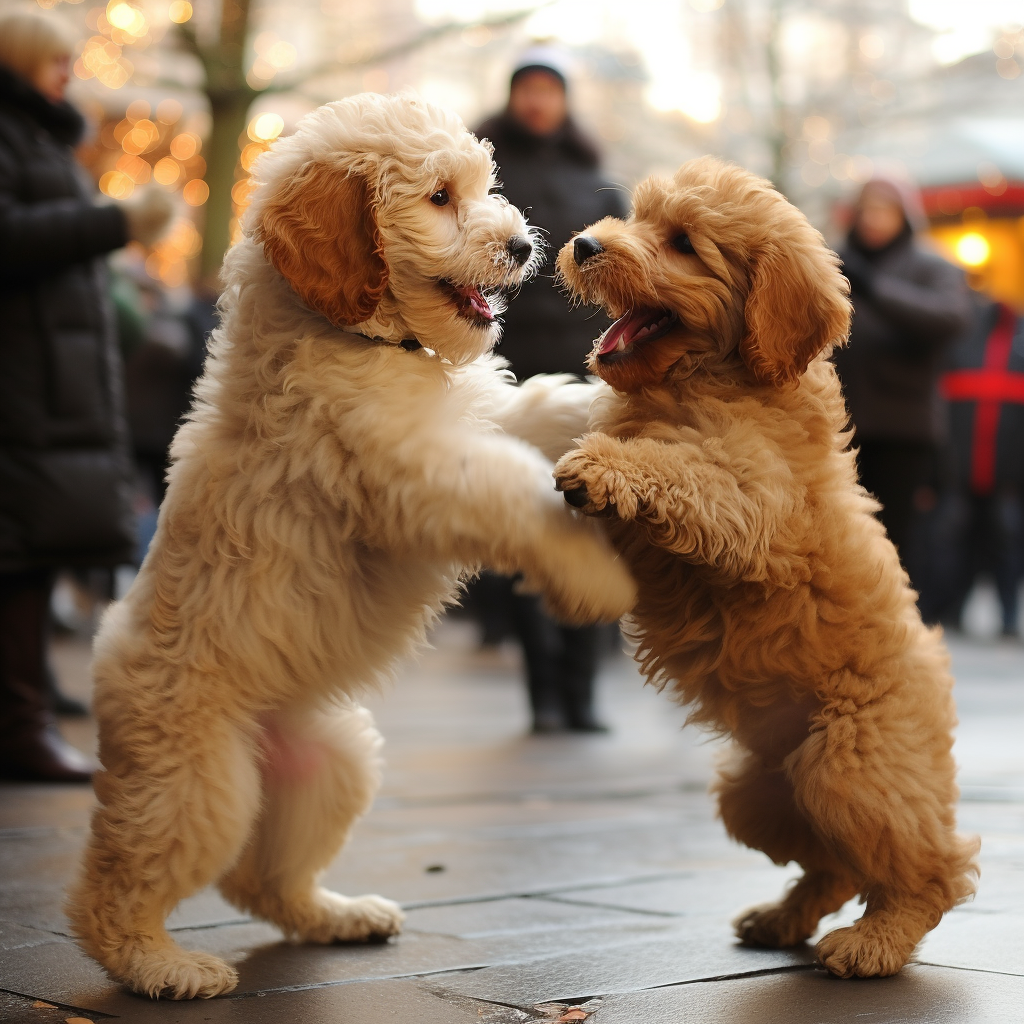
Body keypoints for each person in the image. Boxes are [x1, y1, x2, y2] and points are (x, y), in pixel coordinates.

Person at [0, 10, 172, 781]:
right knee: (17, 555)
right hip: (18, 376)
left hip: (41, 373)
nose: (68, 73)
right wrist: (117, 221)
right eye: (55, 61)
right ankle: (19, 724)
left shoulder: (39, 135)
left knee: (27, 554)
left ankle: (25, 710)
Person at [474, 47, 627, 733]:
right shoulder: (483, 172)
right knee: (525, 527)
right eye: (527, 89)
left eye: (549, 90)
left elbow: (628, 271)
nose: (538, 101)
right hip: (506, 370)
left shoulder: (596, 178)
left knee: (592, 524)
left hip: (587, 369)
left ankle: (584, 691)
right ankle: (542, 697)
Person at [833, 176, 971, 588]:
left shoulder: (932, 266)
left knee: (892, 543)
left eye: (884, 209)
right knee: (836, 538)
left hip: (902, 428)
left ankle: (891, 633)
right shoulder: (833, 259)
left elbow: (950, 319)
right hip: (836, 424)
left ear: (904, 215)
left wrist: (874, 287)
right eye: (866, 208)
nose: (873, 218)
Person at [922, 298, 1024, 636]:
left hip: (1008, 477)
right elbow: (941, 410)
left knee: (1007, 545)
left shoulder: (1018, 345)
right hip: (959, 474)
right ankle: (947, 612)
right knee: (951, 544)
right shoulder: (961, 344)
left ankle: (1008, 616)